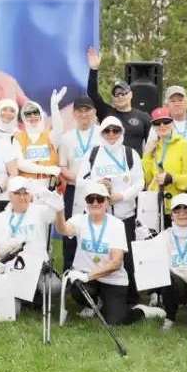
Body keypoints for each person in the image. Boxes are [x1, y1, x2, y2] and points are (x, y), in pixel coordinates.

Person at [76, 116, 145, 296]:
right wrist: (98, 186)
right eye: (107, 130)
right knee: (96, 254)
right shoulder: (92, 154)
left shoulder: (130, 154)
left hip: (124, 214)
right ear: (101, 133)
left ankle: (129, 295)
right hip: (98, 215)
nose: (111, 134)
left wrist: (120, 196)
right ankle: (94, 293)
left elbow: (139, 183)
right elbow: (80, 180)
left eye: (116, 130)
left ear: (122, 132)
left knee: (125, 257)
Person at [128, 194, 187, 331]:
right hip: (178, 285)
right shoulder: (165, 235)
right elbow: (147, 262)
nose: (182, 214)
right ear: (172, 215)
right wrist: (143, 242)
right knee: (167, 276)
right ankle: (170, 317)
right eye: (177, 210)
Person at [53, 182, 134, 324]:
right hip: (89, 278)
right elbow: (63, 230)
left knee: (116, 321)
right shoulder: (80, 220)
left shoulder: (117, 225)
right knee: (76, 288)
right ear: (86, 203)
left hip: (112, 279)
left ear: (107, 202)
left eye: (100, 199)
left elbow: (116, 263)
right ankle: (94, 304)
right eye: (91, 199)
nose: (95, 203)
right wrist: (59, 211)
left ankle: (143, 311)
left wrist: (87, 276)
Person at [0, 177, 65, 307]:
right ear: (10, 195)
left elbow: (54, 217)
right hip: (13, 268)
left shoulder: (39, 210)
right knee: (13, 310)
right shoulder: (1, 218)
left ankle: (33, 296)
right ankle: (27, 298)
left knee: (54, 286)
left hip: (38, 267)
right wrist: (11, 245)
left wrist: (54, 203)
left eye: (25, 193)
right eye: (18, 193)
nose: (22, 197)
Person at [56, 96, 101, 268]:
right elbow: (62, 167)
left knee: (95, 230)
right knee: (71, 230)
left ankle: (94, 270)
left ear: (94, 112)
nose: (84, 114)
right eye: (80, 110)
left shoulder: (102, 133)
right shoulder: (67, 138)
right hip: (73, 191)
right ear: (74, 114)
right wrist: (81, 180)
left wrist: (91, 182)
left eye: (87, 110)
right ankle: (69, 270)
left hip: (96, 192)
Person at [85, 46, 150, 154]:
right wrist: (93, 69)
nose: (120, 96)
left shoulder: (143, 117)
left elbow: (151, 144)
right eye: (116, 94)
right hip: (110, 167)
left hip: (134, 167)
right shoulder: (106, 113)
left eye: (123, 93)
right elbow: (92, 93)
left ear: (131, 94)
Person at [142, 107, 187, 224]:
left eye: (166, 122)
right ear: (153, 127)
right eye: (157, 123)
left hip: (177, 207)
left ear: (172, 123)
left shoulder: (183, 145)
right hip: (155, 206)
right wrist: (147, 155)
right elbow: (147, 179)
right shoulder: (154, 146)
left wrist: (172, 178)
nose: (162, 126)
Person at [12, 100, 61, 190]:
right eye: (28, 114)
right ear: (23, 117)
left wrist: (55, 109)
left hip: (50, 187)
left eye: (35, 113)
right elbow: (20, 164)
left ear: (41, 115)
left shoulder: (50, 135)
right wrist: (47, 170)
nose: (32, 116)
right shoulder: (18, 137)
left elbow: (59, 130)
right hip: (27, 188)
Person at [144, 85, 187, 150]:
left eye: (180, 100)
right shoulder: (159, 125)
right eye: (173, 101)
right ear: (166, 105)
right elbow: (148, 151)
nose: (177, 104)